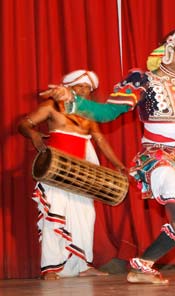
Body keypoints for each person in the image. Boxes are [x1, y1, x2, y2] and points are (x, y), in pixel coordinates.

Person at [40, 15, 175, 284]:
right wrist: (75, 101)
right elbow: (108, 112)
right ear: (168, 49)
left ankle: (143, 265)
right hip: (156, 156)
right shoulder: (142, 80)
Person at [19, 70, 125, 280]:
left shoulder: (88, 114)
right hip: (56, 171)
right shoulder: (50, 107)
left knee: (86, 217)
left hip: (81, 174)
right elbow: (24, 124)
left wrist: (119, 165)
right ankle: (50, 268)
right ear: (68, 88)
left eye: (88, 88)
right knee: (54, 217)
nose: (84, 91)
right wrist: (33, 134)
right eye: (80, 87)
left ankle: (82, 265)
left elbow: (100, 140)